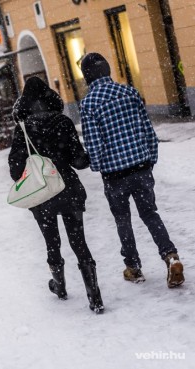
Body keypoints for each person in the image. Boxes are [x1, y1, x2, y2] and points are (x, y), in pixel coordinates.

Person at [80, 52, 184, 288]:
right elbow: (149, 131)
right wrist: (150, 161)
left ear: (87, 76)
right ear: (107, 70)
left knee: (123, 220)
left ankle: (133, 267)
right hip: (141, 167)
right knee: (150, 214)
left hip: (115, 175)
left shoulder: (89, 104)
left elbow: (94, 145)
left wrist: (97, 165)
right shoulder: (129, 92)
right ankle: (171, 256)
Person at [8, 76, 104, 313]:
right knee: (79, 241)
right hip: (68, 188)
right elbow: (79, 161)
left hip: (42, 194)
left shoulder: (23, 128)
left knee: (52, 242)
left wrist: (34, 161)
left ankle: (59, 286)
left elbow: (14, 170)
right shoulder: (63, 122)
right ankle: (95, 296)